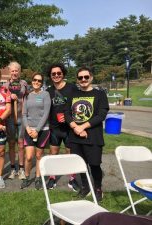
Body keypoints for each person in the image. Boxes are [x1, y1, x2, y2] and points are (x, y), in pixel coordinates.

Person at [64, 67, 109, 201]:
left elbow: (101, 115)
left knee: (94, 164)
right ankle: (85, 187)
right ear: (77, 80)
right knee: (80, 164)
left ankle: (98, 188)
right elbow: (67, 113)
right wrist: (75, 127)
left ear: (91, 78)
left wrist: (82, 126)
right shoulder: (73, 94)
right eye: (80, 77)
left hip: (93, 136)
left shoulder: (100, 95)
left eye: (86, 77)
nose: (83, 80)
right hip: (75, 137)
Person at [46, 63, 80, 192]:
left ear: (63, 74)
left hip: (69, 127)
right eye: (53, 74)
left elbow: (78, 105)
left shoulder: (72, 88)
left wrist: (70, 117)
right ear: (50, 76)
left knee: (69, 153)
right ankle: (52, 177)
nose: (56, 75)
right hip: (54, 127)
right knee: (53, 153)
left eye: (58, 73)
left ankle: (72, 179)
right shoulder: (48, 91)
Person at [20, 73, 51, 190]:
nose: (36, 82)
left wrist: (37, 130)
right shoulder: (27, 96)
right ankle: (27, 177)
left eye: (39, 80)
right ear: (31, 81)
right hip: (29, 130)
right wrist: (28, 128)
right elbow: (23, 114)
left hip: (42, 130)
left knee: (38, 155)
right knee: (28, 157)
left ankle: (38, 178)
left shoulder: (45, 94)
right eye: (35, 80)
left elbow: (46, 114)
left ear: (42, 83)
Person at [3, 61, 28, 180]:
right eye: (12, 70)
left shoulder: (24, 84)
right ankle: (13, 169)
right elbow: (2, 100)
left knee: (21, 143)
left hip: (22, 117)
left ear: (19, 71)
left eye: (16, 70)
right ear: (9, 72)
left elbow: (28, 97)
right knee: (12, 143)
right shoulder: (5, 86)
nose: (14, 72)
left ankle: (22, 169)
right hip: (10, 118)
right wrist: (9, 96)